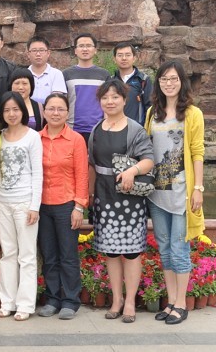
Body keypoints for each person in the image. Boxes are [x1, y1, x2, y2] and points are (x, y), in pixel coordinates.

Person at [88, 79, 155, 325]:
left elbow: (149, 159)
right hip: (104, 196)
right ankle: (116, 300)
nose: (110, 101)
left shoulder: (135, 129)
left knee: (131, 252)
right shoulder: (96, 129)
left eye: (115, 97)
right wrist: (89, 196)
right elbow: (92, 165)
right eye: (105, 97)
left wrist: (132, 171)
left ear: (125, 100)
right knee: (111, 252)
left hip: (129, 198)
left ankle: (130, 302)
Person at [145, 61, 205, 326]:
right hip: (157, 193)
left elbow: (197, 152)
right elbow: (146, 148)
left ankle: (181, 303)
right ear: (158, 83)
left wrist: (198, 188)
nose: (169, 84)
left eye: (173, 79)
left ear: (182, 82)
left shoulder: (192, 113)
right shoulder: (152, 113)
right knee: (165, 248)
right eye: (164, 79)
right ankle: (170, 301)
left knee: (180, 249)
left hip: (182, 193)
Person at [0, 91, 44, 322]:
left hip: (25, 202)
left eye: (15, 109)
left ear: (22, 111)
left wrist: (35, 206)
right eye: (6, 110)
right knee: (8, 254)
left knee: (27, 255)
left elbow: (37, 173)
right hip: (1, 201)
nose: (11, 114)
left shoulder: (32, 136)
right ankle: (7, 302)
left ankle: (25, 304)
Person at [37, 93, 88, 320]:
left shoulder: (75, 139)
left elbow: (82, 175)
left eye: (60, 109)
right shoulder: (36, 138)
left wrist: (79, 206)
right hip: (41, 205)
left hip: (66, 205)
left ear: (67, 113)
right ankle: (52, 298)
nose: (55, 113)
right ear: (44, 111)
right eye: (51, 108)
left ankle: (70, 300)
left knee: (68, 255)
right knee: (49, 255)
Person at [64, 33, 110, 142]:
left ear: (95, 50)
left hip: (98, 129)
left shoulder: (104, 74)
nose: (85, 49)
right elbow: (62, 101)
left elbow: (108, 101)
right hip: (72, 128)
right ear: (75, 50)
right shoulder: (66, 74)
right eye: (81, 46)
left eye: (89, 46)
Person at [113, 42, 153, 125]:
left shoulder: (143, 80)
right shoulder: (111, 81)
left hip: (137, 128)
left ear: (134, 58)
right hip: (114, 127)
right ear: (114, 59)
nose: (124, 58)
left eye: (128, 55)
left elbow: (150, 107)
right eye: (120, 55)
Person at [25, 36, 67, 106]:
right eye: (34, 50)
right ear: (28, 54)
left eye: (41, 50)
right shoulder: (24, 75)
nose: (38, 54)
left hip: (49, 112)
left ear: (48, 53)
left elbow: (57, 100)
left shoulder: (56, 74)